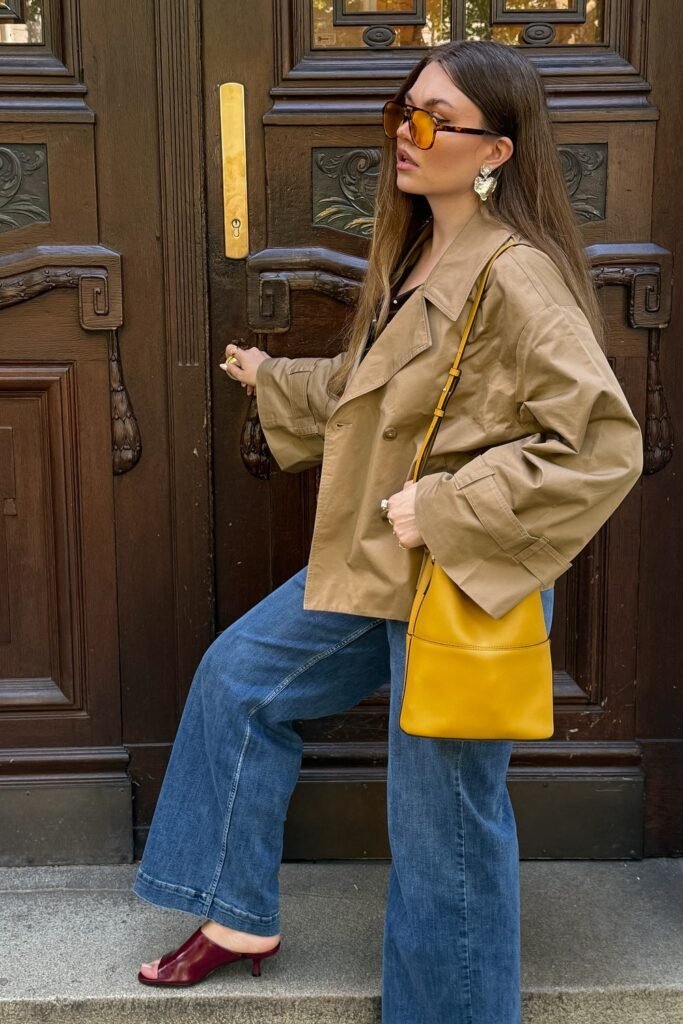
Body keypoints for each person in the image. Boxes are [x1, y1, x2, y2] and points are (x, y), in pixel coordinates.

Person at [133, 39, 643, 1023]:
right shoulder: (415, 249)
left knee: (442, 827)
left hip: (461, 573)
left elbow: (599, 446)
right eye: (396, 113)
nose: (402, 137)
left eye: (427, 119)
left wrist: (449, 508)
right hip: (380, 561)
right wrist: (274, 381)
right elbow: (385, 395)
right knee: (239, 680)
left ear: (492, 150)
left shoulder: (518, 278)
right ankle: (236, 914)